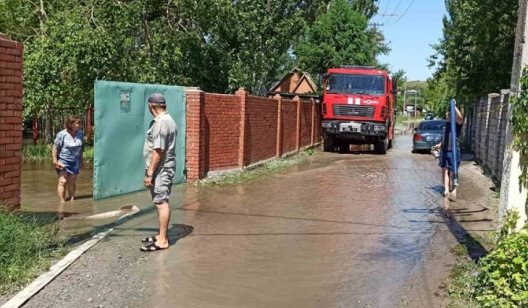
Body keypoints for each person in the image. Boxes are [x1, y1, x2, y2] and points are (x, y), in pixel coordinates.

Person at [140, 93, 177, 252]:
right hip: (162, 168)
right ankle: (161, 234)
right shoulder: (166, 120)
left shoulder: (162, 123)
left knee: (161, 202)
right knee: (159, 201)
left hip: (161, 169)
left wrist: (149, 173)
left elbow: (159, 150)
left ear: (151, 106)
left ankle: (162, 240)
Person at [433, 104, 463, 201]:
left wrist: (454, 106)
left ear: (453, 115)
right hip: (444, 150)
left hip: (454, 151)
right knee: (444, 170)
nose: (447, 117)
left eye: (448, 115)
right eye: (446, 116)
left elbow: (461, 118)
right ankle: (446, 189)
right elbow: (446, 138)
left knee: (454, 171)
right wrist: (440, 144)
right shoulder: (445, 126)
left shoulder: (457, 125)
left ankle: (454, 189)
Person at [52, 115, 83, 203]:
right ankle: (62, 203)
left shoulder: (80, 133)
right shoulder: (62, 134)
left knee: (72, 182)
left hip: (75, 162)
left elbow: (81, 148)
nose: (80, 125)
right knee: (63, 181)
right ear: (71, 124)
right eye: (78, 123)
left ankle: (72, 201)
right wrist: (55, 161)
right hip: (63, 161)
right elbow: (55, 148)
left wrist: (81, 159)